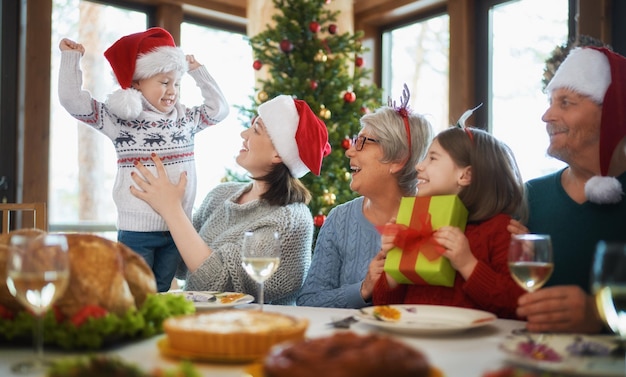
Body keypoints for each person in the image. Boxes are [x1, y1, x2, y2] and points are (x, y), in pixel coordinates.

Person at [58, 27, 229, 292]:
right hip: (136, 232)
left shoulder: (184, 118)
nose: (172, 91)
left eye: (176, 83)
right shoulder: (120, 120)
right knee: (134, 295)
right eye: (164, 82)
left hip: (176, 230)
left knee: (161, 292)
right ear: (137, 82)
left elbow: (219, 110)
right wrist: (71, 60)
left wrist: (198, 72)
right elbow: (73, 102)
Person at [130, 94, 331, 305]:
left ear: (278, 154)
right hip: (202, 326)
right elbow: (181, 266)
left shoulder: (291, 220)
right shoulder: (221, 195)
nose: (244, 134)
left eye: (256, 130)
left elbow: (215, 283)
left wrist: (172, 209)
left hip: (257, 331)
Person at [508, 46, 626, 333]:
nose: (547, 115)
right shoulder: (530, 195)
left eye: (565, 102)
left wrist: (599, 315)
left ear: (610, 111)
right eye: (551, 101)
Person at [297, 86, 434, 308]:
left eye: (362, 142)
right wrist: (364, 289)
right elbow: (309, 301)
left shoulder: (433, 220)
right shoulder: (339, 219)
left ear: (397, 159)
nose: (350, 151)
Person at [373, 124, 527, 319]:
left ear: (465, 175)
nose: (419, 166)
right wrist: (393, 263)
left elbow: (516, 304)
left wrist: (467, 263)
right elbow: (383, 306)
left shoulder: (501, 230)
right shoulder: (417, 223)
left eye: (433, 158)